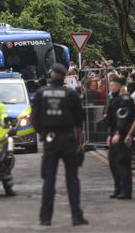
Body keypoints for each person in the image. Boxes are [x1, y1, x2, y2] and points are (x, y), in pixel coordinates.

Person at [32, 63, 88, 227]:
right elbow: (79, 119)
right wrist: (79, 138)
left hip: (50, 138)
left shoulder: (42, 93)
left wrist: (42, 133)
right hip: (68, 138)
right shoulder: (70, 94)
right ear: (64, 76)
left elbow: (34, 119)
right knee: (72, 179)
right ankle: (76, 217)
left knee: (49, 179)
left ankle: (45, 218)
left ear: (52, 75)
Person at [106, 76, 135, 199]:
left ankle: (125, 190)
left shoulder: (125, 99)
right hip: (114, 133)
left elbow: (122, 118)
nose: (111, 88)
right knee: (113, 163)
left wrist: (118, 133)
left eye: (113, 85)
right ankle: (118, 188)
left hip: (122, 134)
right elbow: (112, 118)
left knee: (122, 162)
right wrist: (109, 134)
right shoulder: (114, 99)